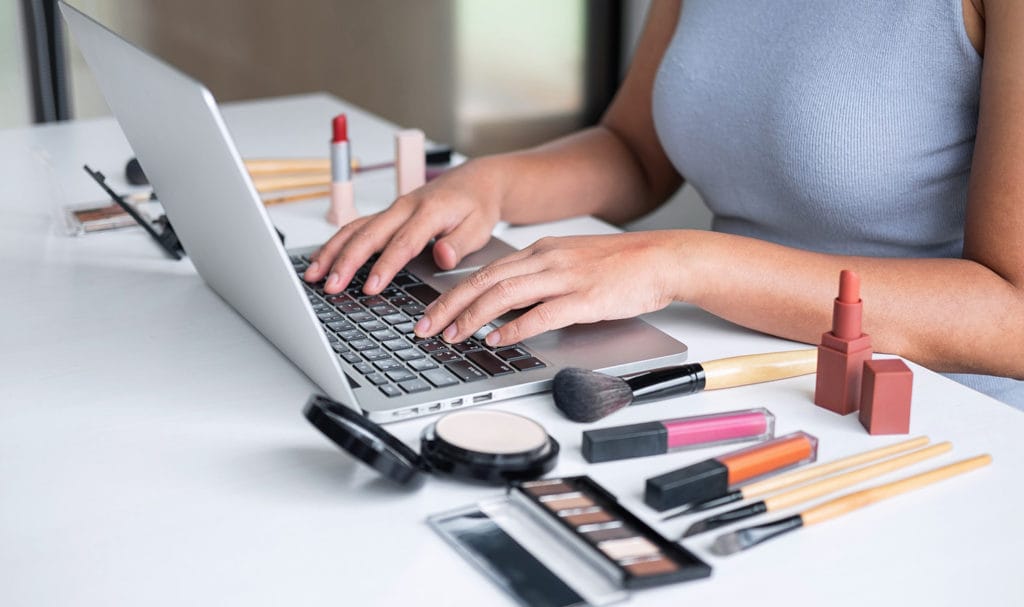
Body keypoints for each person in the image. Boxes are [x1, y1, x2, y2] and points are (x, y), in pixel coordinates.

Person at [303, 0, 1024, 408]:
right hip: (733, 367)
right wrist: (489, 185)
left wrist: (683, 262)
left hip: (927, 414)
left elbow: (1011, 315)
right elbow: (635, 148)